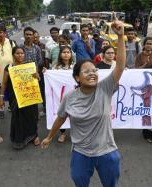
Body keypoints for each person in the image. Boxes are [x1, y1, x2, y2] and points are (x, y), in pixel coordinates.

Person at [41, 15, 126, 187]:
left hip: (107, 152)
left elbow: (120, 66)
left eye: (94, 70)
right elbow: (61, 118)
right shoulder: (69, 98)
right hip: (81, 153)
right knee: (80, 183)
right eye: (86, 71)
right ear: (77, 78)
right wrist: (49, 137)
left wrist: (120, 37)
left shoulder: (105, 88)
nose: (92, 73)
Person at [0, 47, 41, 149]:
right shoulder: (9, 67)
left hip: (29, 96)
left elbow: (37, 80)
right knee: (18, 119)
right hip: (15, 97)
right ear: (13, 55)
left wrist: (37, 76)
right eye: (17, 53)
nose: (20, 55)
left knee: (32, 116)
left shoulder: (29, 66)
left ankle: (34, 136)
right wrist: (1, 97)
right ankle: (19, 139)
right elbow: (4, 83)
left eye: (22, 53)